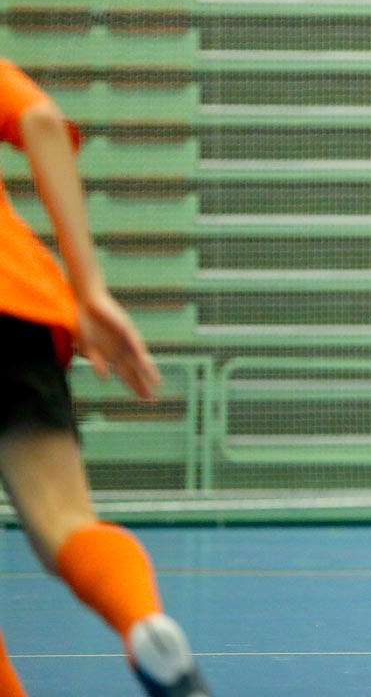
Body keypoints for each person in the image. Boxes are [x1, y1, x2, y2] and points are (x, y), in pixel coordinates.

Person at [0, 60, 212, 697]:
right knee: (66, 523)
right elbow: (39, 119)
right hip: (16, 301)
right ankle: (142, 621)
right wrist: (88, 289)